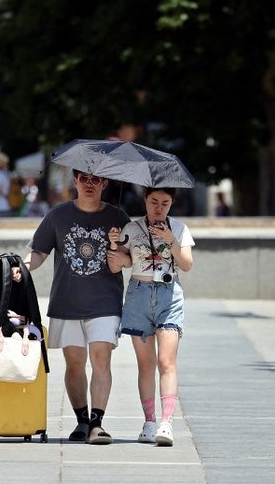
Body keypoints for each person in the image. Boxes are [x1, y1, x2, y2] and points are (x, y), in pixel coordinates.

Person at [13, 169, 130, 444]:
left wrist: (119, 248)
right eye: (83, 179)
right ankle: (82, 420)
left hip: (105, 301)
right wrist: (23, 267)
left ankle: (97, 424)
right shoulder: (57, 215)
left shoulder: (119, 218)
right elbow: (40, 251)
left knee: (101, 358)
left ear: (105, 183)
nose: (89, 185)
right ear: (75, 181)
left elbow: (129, 257)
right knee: (74, 365)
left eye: (95, 180)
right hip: (67, 301)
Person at [108, 187, 194, 447]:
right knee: (145, 365)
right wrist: (114, 245)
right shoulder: (131, 229)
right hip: (139, 294)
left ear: (171, 204)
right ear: (145, 201)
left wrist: (170, 240)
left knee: (166, 361)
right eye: (154, 201)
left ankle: (167, 423)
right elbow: (116, 264)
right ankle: (149, 421)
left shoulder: (179, 228)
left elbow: (187, 264)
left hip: (169, 295)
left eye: (165, 203)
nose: (159, 207)